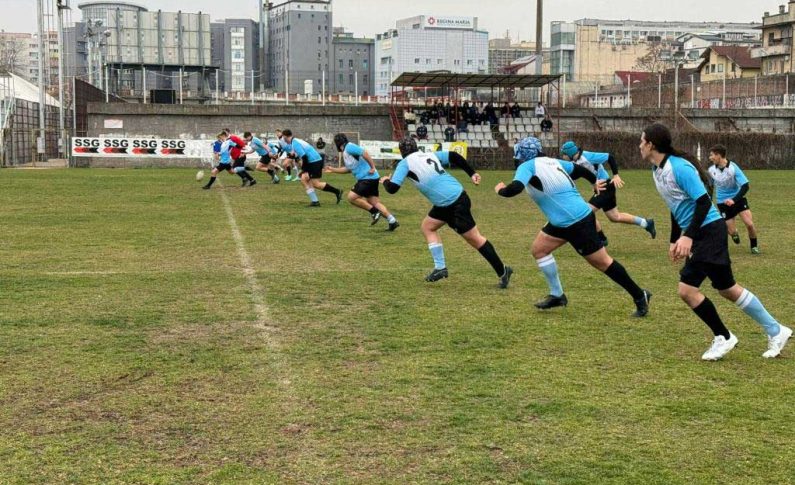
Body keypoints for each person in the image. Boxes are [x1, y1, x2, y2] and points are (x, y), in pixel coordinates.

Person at [641, 123, 790, 360]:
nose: (640, 145)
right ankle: (776, 329)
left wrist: (688, 236)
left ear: (651, 144)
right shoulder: (657, 171)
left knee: (687, 289)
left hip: (708, 231)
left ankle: (724, 336)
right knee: (727, 289)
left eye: (642, 141)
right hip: (701, 232)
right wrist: (674, 239)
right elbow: (676, 206)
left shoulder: (679, 168)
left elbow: (702, 202)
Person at [495, 137, 651, 316]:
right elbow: (580, 170)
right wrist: (594, 182)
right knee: (539, 249)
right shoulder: (552, 161)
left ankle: (640, 295)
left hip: (576, 221)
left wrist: (500, 189)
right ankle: (557, 295)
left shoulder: (527, 166)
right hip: (563, 221)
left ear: (522, 154)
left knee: (603, 263)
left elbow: (514, 189)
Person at [381, 137, 513, 287]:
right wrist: (472, 173)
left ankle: (503, 271)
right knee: (428, 226)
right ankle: (440, 268)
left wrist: (385, 180)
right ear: (416, 147)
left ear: (401, 151)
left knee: (475, 239)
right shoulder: (429, 154)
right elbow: (454, 156)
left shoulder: (405, 163)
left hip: (453, 203)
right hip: (450, 199)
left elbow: (392, 189)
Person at [560, 141, 656, 245]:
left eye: (564, 154)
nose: (563, 157)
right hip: (603, 188)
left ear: (570, 153)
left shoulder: (588, 156)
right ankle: (646, 223)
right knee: (615, 217)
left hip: (606, 186)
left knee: (585, 212)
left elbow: (609, 157)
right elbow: (579, 174)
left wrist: (616, 175)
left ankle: (601, 238)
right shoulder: (575, 161)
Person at [324, 134, 399, 231]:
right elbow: (348, 169)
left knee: (351, 197)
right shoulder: (346, 152)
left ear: (337, 144)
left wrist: (372, 167)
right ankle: (392, 221)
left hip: (367, 178)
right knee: (374, 202)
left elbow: (365, 153)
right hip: (371, 178)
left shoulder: (349, 147)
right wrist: (333, 169)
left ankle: (374, 212)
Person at [708, 144, 760, 254]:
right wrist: (708, 202)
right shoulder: (711, 170)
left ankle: (754, 246)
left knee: (749, 224)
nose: (710, 157)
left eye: (712, 155)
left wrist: (734, 200)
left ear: (719, 155)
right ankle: (734, 234)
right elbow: (710, 187)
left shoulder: (733, 168)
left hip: (738, 200)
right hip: (722, 203)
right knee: (731, 232)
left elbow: (745, 186)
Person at [282, 129, 342, 207]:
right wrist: (291, 156)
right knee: (304, 179)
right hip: (313, 161)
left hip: (314, 162)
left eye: (283, 137)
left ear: (285, 136)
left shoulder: (295, 143)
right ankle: (315, 201)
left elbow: (304, 157)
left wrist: (304, 170)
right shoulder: (295, 141)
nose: (283, 139)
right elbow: (298, 155)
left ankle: (337, 191)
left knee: (316, 183)